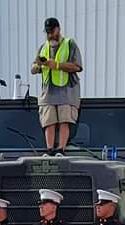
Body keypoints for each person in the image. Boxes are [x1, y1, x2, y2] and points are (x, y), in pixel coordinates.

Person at [30, 17, 83, 154]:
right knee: (49, 121)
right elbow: (33, 68)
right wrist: (40, 66)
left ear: (58, 29)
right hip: (48, 93)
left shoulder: (69, 44)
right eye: (47, 32)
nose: (49, 35)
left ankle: (61, 149)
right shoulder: (43, 47)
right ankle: (49, 150)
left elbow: (77, 66)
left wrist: (57, 65)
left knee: (64, 120)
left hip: (67, 92)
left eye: (51, 31)